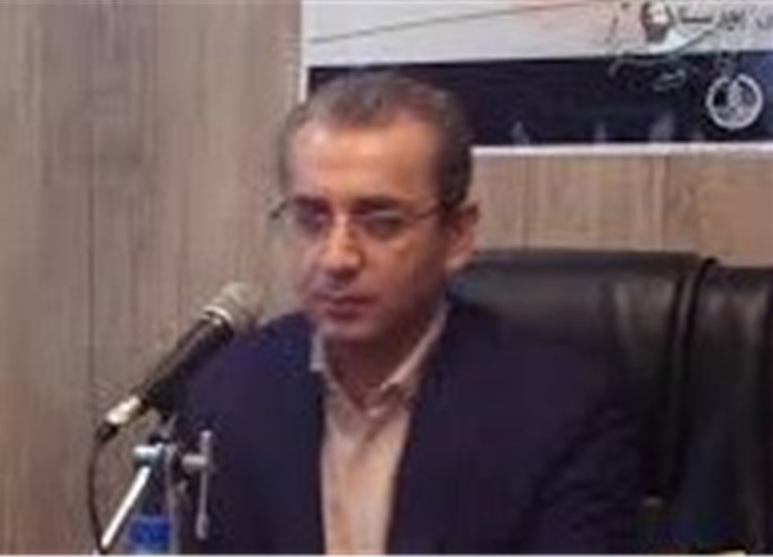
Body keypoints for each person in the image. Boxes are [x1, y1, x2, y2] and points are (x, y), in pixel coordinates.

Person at [177, 72, 641, 553]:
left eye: (381, 222)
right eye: (312, 219)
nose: (337, 258)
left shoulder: (561, 413)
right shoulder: (226, 395)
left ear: (457, 235)